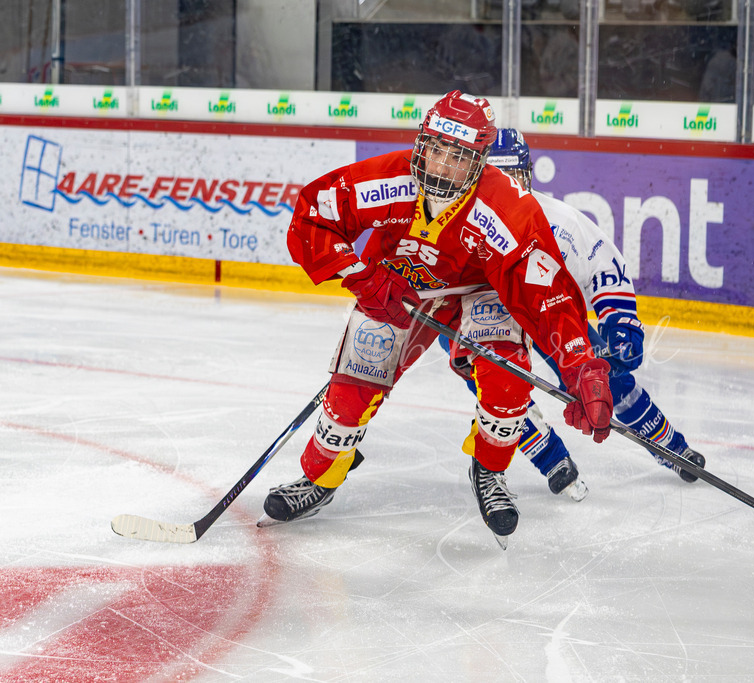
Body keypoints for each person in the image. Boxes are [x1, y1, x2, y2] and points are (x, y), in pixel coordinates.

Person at [259, 91, 612, 548]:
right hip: (395, 290)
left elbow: (548, 296)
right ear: (422, 142)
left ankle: (489, 468)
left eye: (458, 156)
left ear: (481, 161)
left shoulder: (508, 208)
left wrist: (581, 364)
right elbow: (313, 215)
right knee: (351, 393)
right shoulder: (389, 177)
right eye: (437, 149)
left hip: (481, 291)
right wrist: (364, 279)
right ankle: (321, 478)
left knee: (507, 378)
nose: (442, 166)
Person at [448, 128, 706, 500]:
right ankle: (551, 457)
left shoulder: (559, 222)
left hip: (549, 312)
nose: (505, 187)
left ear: (527, 174)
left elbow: (603, 264)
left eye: (513, 176)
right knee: (499, 389)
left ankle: (670, 446)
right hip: (479, 319)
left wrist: (618, 319)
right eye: (495, 176)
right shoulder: (456, 222)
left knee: (608, 376)